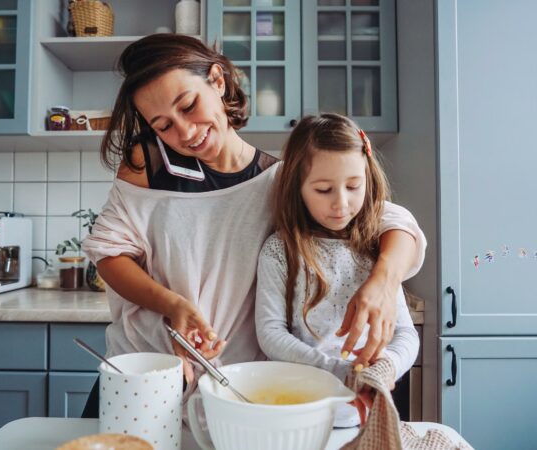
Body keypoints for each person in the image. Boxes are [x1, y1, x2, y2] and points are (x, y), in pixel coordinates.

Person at [80, 34, 426, 417]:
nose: (185, 132)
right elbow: (109, 254)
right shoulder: (145, 164)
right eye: (163, 125)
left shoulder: (278, 181)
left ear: (217, 80)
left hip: (235, 385)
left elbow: (392, 221)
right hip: (143, 374)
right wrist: (172, 305)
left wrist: (384, 280)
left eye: (189, 105)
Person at [255, 113, 419, 428]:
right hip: (299, 417)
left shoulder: (377, 249)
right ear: (297, 188)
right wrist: (337, 371)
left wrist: (385, 368)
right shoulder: (280, 251)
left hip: (369, 418)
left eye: (353, 186)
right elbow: (271, 333)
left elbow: (405, 333)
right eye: (323, 190)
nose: (341, 203)